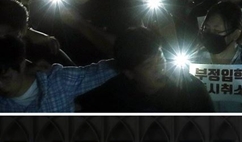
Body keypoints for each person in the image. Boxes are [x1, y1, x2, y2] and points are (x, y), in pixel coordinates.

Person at [74, 26, 214, 112]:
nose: (159, 68)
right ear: (129, 73)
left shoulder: (192, 91)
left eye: (160, 57)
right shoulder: (113, 98)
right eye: (148, 65)